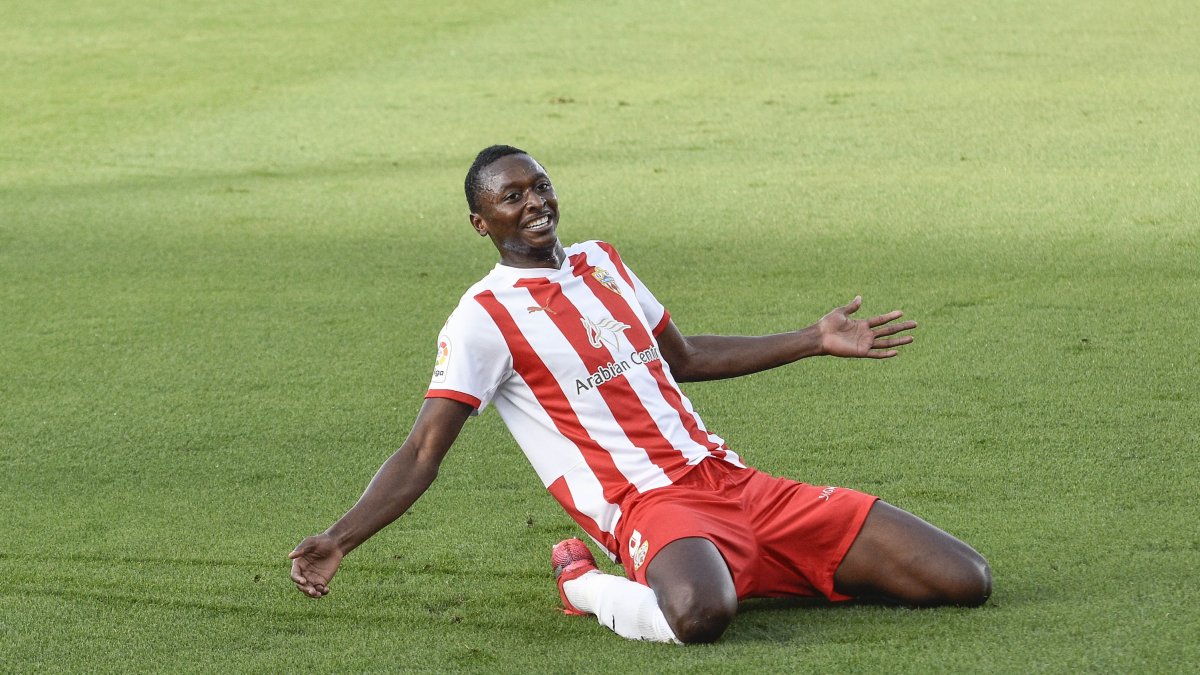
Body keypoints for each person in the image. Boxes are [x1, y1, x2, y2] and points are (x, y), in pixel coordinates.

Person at [289, 145, 992, 644]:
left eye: (539, 184)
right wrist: (341, 537)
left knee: (964, 579)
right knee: (700, 615)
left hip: (732, 481)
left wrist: (812, 337)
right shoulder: (482, 318)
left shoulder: (601, 262)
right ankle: (584, 586)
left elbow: (683, 356)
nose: (534, 202)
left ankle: (756, 564)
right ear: (483, 223)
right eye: (512, 196)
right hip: (648, 504)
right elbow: (421, 452)